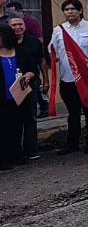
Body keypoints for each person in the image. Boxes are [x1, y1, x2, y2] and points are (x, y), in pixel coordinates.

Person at [49, 0, 88, 155]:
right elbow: (52, 50)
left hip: (87, 77)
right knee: (73, 113)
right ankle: (72, 143)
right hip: (67, 78)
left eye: (73, 9)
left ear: (80, 11)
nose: (70, 12)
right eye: (66, 9)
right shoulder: (58, 30)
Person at [0, 24, 37, 170]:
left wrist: (29, 75)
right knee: (2, 128)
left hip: (19, 97)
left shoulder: (21, 52)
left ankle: (16, 155)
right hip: (2, 99)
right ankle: (3, 159)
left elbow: (33, 69)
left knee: (17, 127)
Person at [8, 16, 44, 160]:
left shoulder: (33, 41)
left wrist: (43, 80)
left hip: (28, 82)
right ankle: (15, 151)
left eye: (20, 24)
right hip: (9, 84)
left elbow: (40, 61)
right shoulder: (5, 42)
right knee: (13, 118)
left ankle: (31, 150)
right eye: (14, 25)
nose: (17, 27)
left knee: (30, 116)